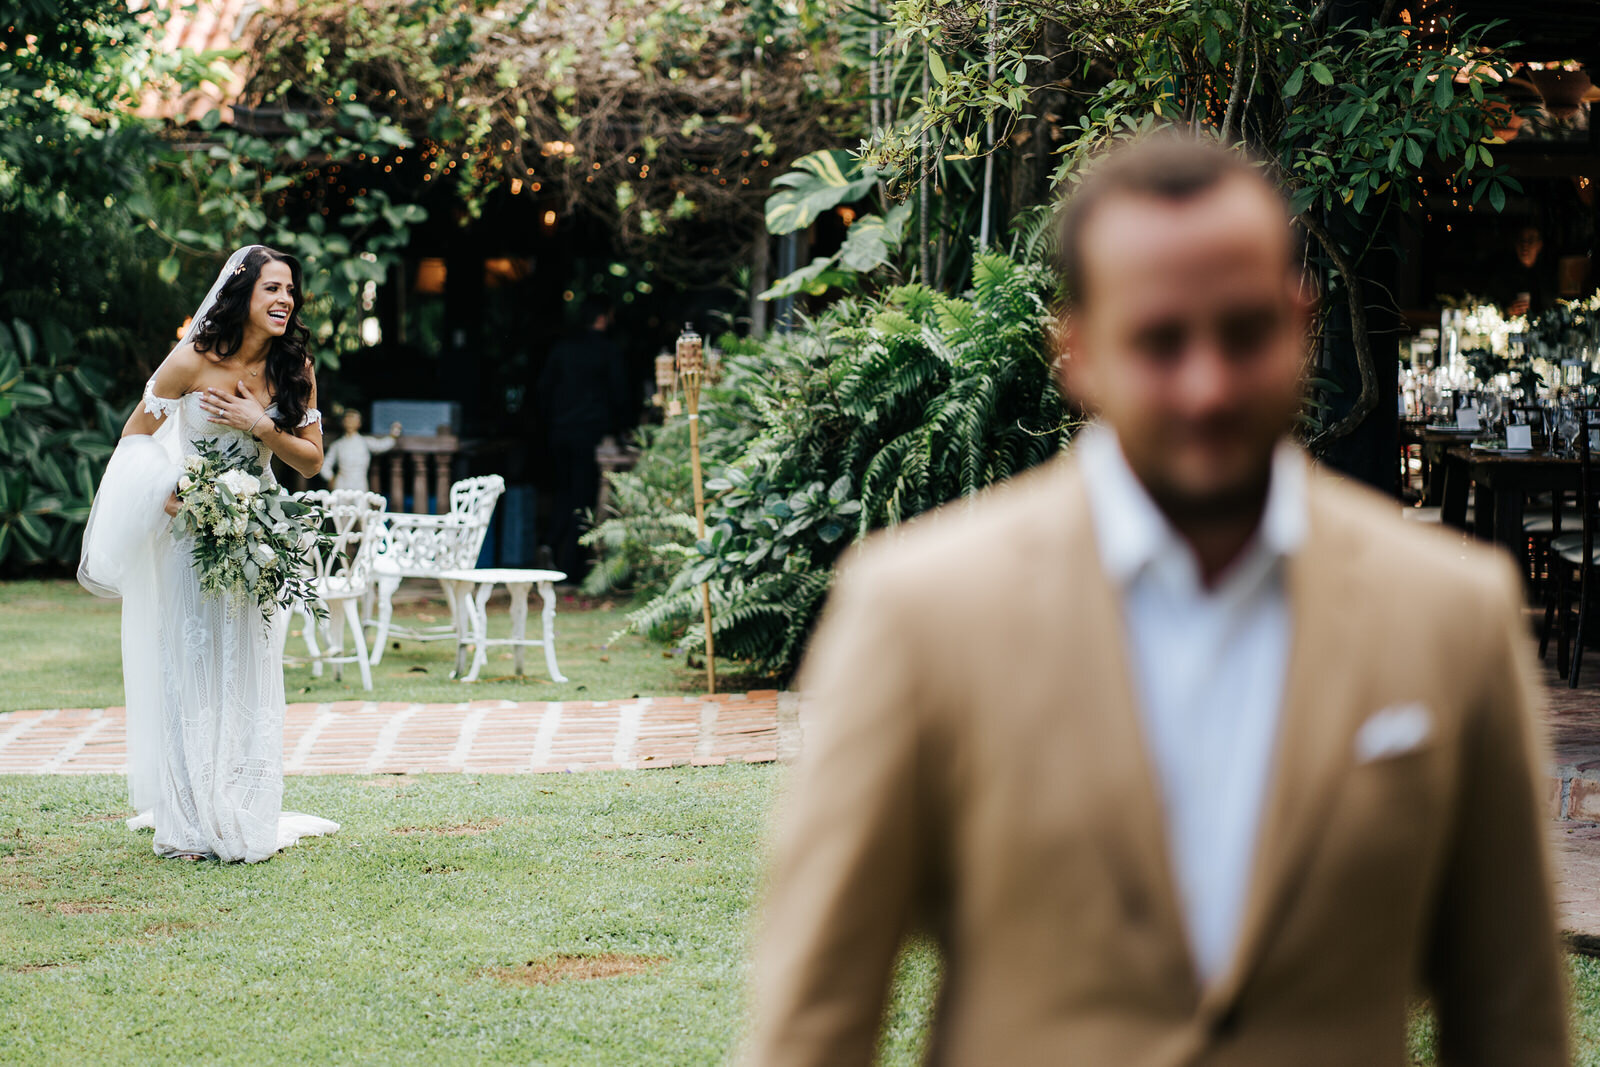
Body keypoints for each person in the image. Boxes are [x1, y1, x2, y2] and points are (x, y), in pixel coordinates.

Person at [745, 135, 1566, 1063]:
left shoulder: (1452, 611)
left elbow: (1514, 1017)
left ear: (1302, 325)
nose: (1208, 385)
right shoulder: (920, 610)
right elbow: (812, 1021)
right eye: (1160, 339)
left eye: (1244, 331)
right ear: (1079, 352)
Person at [79, 245, 339, 863]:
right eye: (271, 289)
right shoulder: (193, 358)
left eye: (289, 290)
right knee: (188, 667)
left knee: (248, 667)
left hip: (257, 535)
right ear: (242, 295)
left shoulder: (294, 364)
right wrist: (169, 488)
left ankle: (243, 811)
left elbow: (309, 461)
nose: (284, 300)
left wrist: (259, 424)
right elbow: (135, 435)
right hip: (191, 535)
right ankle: (189, 822)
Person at [538, 295, 627, 580]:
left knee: (564, 492)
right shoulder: (608, 351)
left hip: (560, 432)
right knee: (583, 497)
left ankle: (550, 544)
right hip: (588, 434)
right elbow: (619, 395)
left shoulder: (563, 349)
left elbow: (543, 390)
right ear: (603, 316)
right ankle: (572, 569)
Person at [322, 407, 401, 493]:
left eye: (353, 419)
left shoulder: (365, 441)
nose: (350, 422)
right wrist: (330, 478)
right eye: (347, 419)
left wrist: (393, 435)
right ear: (343, 422)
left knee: (361, 504)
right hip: (341, 484)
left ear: (359, 423)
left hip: (359, 483)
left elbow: (382, 445)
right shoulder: (337, 445)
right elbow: (325, 465)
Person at [1493, 223, 1559, 319]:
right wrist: (1508, 311)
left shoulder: (1550, 274)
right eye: (1521, 240)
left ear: (1539, 245)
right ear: (1516, 244)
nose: (1525, 245)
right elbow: (1492, 304)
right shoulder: (1504, 274)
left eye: (1530, 240)